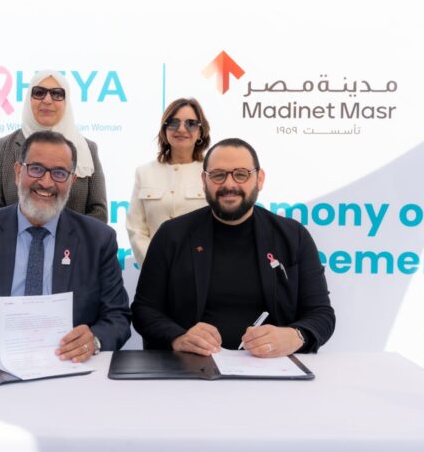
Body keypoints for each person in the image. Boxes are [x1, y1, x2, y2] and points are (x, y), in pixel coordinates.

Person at [0, 131, 131, 361]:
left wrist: (94, 340)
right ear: (18, 172)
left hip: (69, 367)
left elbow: (118, 318)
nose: (46, 182)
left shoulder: (98, 239)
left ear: (72, 181)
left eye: (59, 173)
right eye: (36, 169)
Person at [132, 138, 335, 357]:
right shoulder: (172, 235)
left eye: (241, 174)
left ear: (259, 179)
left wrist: (296, 336)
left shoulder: (293, 236)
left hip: (273, 367)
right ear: (204, 181)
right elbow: (144, 310)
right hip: (190, 367)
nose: (229, 185)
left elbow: (321, 313)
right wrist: (178, 337)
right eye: (218, 175)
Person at [0, 70, 108, 223]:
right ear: (29, 99)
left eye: (57, 94)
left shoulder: (87, 148)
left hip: (74, 239)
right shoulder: (3, 147)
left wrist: (60, 234)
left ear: (66, 102)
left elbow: (98, 212)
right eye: (39, 93)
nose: (47, 100)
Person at [126, 98, 211, 266]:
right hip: (155, 270)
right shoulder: (144, 172)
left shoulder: (212, 173)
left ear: (200, 132)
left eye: (191, 123)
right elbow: (136, 228)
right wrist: (155, 266)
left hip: (200, 269)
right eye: (173, 123)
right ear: (164, 130)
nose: (181, 129)